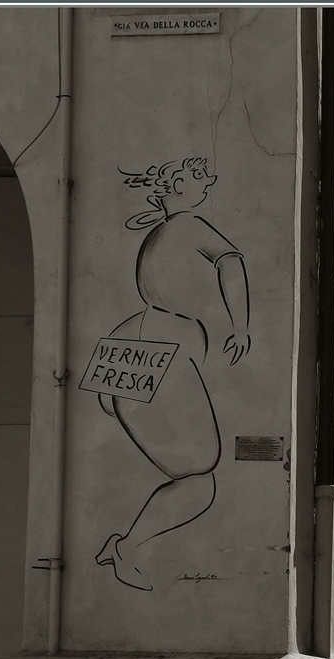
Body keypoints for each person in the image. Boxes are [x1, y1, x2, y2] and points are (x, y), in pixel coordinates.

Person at [94, 158, 251, 591]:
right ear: (179, 184)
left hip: (138, 347)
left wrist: (108, 382)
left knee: (198, 476)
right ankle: (127, 547)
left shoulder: (158, 235)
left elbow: (141, 317)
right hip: (160, 354)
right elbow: (231, 262)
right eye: (200, 179)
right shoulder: (188, 225)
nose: (207, 186)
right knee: (201, 477)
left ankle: (126, 545)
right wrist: (240, 325)